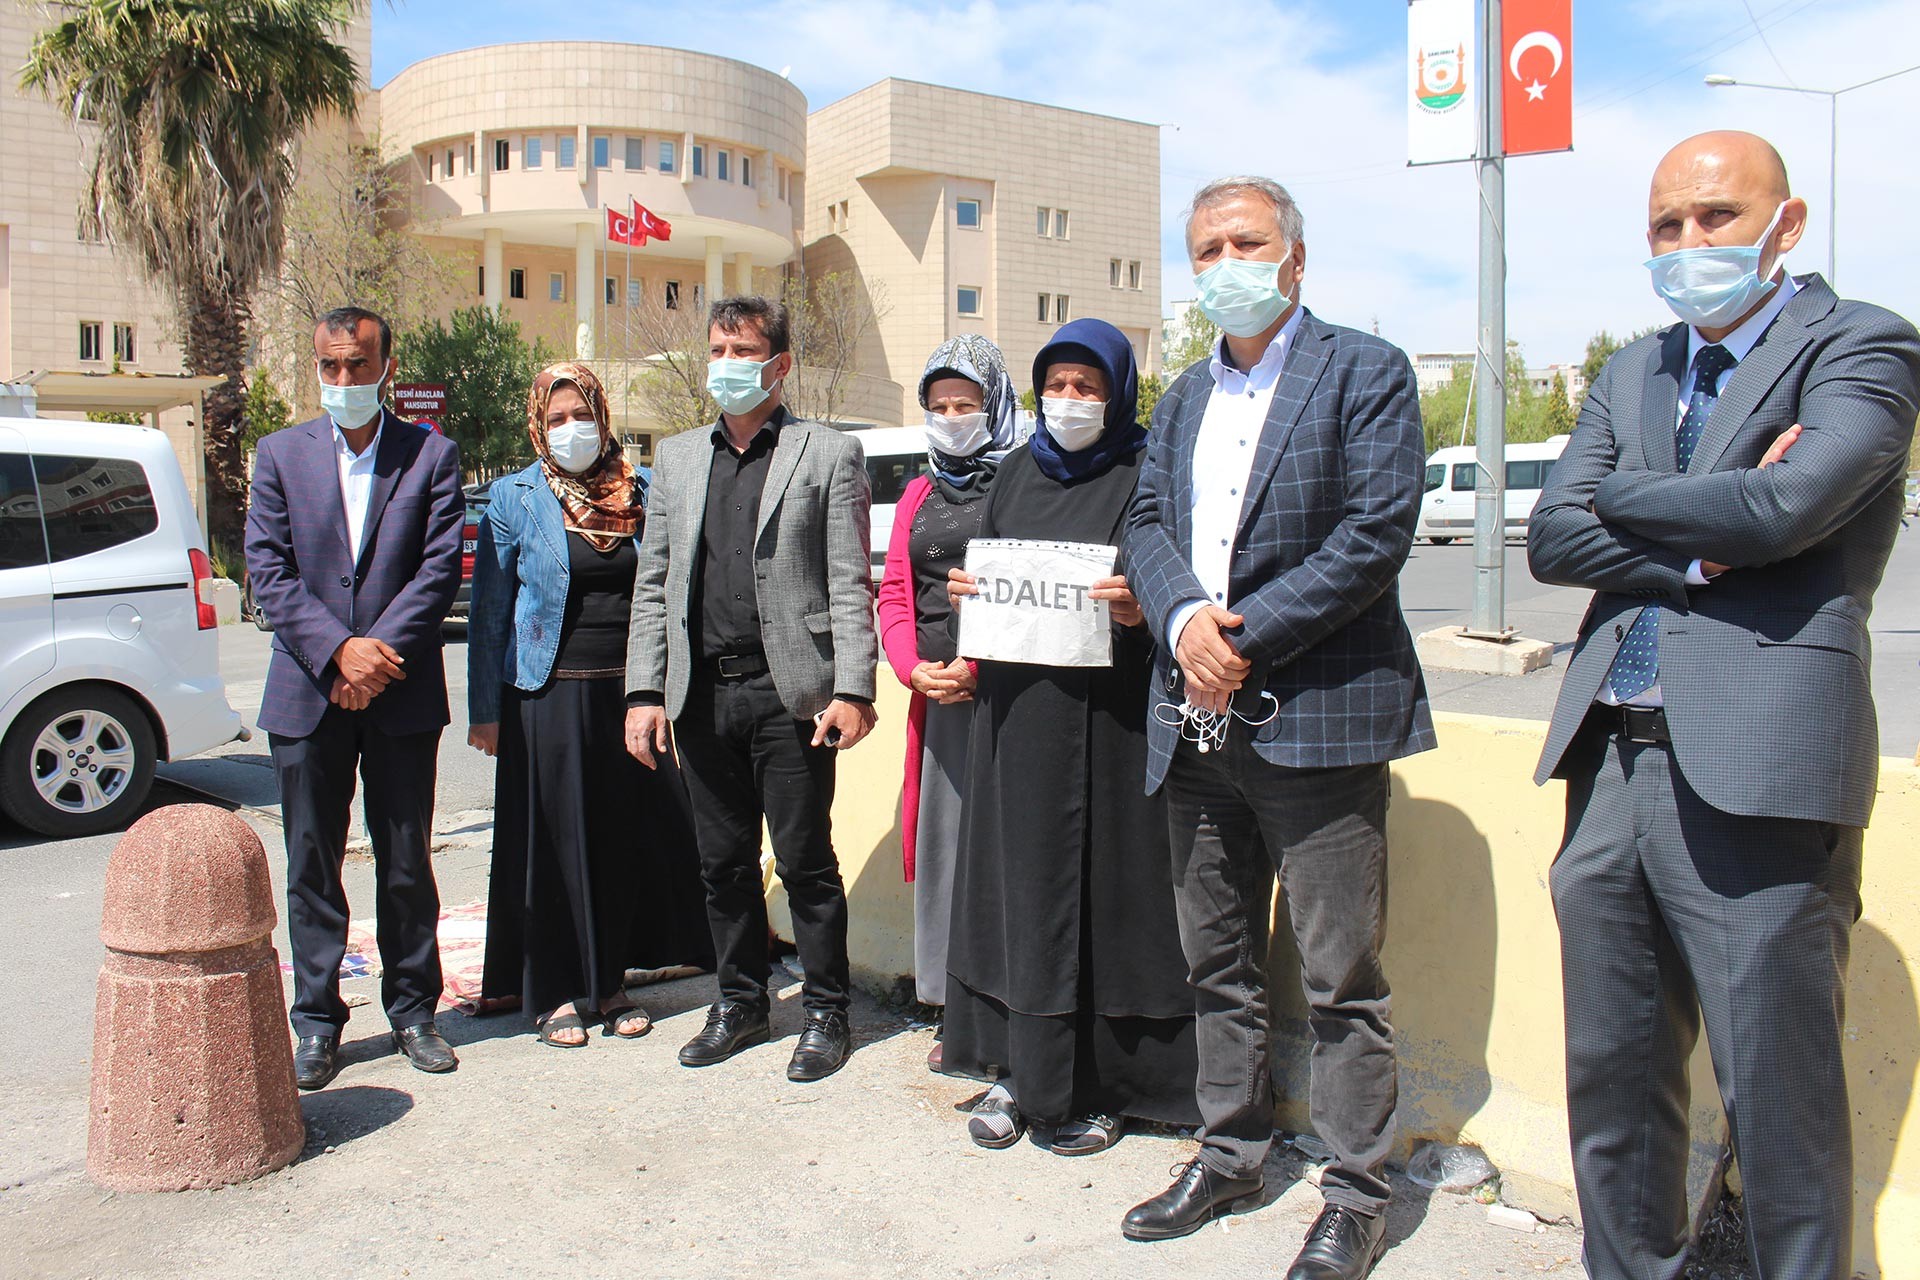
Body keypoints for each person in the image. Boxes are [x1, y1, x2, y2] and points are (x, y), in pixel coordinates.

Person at [1528, 131, 1920, 1280]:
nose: (1689, 244)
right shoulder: (1632, 369)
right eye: (1667, 225)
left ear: (1784, 225)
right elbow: (1554, 533)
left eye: (1715, 218)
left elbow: (1790, 508)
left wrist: (1629, 502)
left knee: (1779, 1101)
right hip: (1611, 760)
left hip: (1761, 769)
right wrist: (1702, 532)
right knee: (1612, 1079)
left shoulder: (1859, 343)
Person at [1122, 177, 1433, 1278]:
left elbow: (1374, 533)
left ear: (1296, 257)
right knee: (1217, 958)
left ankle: (1356, 1190)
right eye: (1206, 248)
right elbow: (1146, 521)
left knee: (1341, 973)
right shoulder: (1182, 394)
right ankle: (1232, 1150)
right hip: (1196, 718)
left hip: (1318, 718)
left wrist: (1238, 634)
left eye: (1246, 241)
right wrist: (1181, 621)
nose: (1225, 263)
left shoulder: (1366, 370)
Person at [943, 317, 1200, 1158]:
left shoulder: (1146, 472)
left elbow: (1168, 583)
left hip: (1113, 724)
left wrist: (1138, 609)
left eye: (1088, 388)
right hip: (1019, 723)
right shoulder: (1015, 471)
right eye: (1056, 385)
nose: (1069, 402)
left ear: (1119, 393)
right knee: (1021, 892)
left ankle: (1104, 1088)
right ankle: (1019, 1070)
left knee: (1107, 901)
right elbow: (998, 569)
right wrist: (969, 590)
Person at [624, 296, 878, 1083]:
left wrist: (855, 688)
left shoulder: (825, 453)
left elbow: (848, 581)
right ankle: (740, 1002)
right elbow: (655, 579)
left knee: (805, 860)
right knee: (722, 863)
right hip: (702, 696)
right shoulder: (675, 458)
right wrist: (644, 691)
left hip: (791, 696)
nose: (726, 363)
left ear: (780, 363)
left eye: (743, 349)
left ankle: (827, 1012)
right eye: (718, 348)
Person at [244, 305, 466, 1090]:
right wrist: (338, 650)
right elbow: (267, 573)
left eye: (359, 364)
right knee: (311, 862)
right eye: (330, 366)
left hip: (400, 694)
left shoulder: (431, 455)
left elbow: (439, 571)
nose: (344, 379)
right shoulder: (279, 455)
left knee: (406, 859)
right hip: (307, 692)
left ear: (387, 367)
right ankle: (316, 1020)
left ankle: (413, 1010)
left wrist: (374, 656)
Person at [466, 362, 713, 1048]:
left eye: (581, 414)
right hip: (547, 693)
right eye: (556, 418)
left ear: (603, 415)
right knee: (553, 844)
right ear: (538, 425)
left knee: (618, 843)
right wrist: (485, 710)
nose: (570, 428)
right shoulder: (514, 498)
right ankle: (553, 994)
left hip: (629, 693)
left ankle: (608, 984)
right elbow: (489, 614)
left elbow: (666, 587)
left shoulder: (643, 488)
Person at [876, 335, 1028, 1071]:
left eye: (966, 404)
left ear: (995, 404)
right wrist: (912, 669)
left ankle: (1009, 1009)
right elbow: (897, 592)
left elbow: (1038, 581)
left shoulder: (1027, 480)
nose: (952, 418)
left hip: (1006, 695)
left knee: (1005, 853)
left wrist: (978, 661)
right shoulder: (918, 493)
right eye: (938, 407)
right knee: (945, 850)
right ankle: (953, 1008)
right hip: (938, 699)